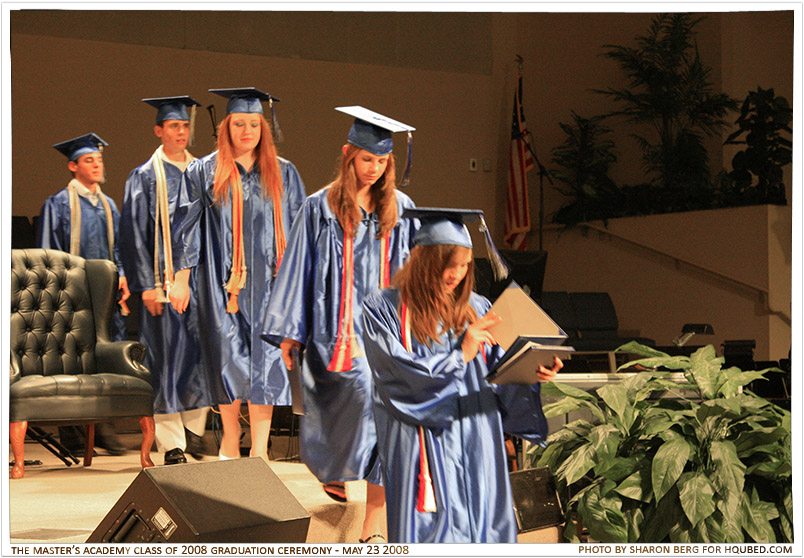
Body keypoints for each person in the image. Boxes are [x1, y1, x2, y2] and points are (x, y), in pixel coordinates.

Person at [262, 107, 417, 543]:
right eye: (367, 159)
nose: (374, 168)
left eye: (382, 161)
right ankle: (335, 467)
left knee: (381, 403)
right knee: (346, 406)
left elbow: (412, 271)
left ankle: (374, 523)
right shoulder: (319, 206)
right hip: (336, 333)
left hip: (387, 334)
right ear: (348, 155)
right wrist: (291, 330)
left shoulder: (401, 208)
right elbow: (298, 269)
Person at [361, 207, 563, 543]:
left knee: (482, 528)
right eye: (449, 264)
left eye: (465, 265)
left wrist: (533, 370)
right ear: (425, 260)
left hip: (476, 434)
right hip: (423, 439)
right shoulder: (383, 309)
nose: (457, 273)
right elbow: (395, 374)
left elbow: (501, 370)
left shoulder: (479, 308)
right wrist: (460, 355)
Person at [169, 87, 306, 462]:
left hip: (271, 286)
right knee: (226, 358)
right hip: (220, 284)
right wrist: (180, 279)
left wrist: (298, 289)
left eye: (254, 123)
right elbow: (184, 227)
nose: (247, 131)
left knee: (267, 363)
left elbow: (298, 233)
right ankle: (231, 438)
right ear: (226, 127)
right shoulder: (203, 171)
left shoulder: (285, 173)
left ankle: (260, 449)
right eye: (239, 123)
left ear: (264, 127)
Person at [120, 96, 211, 465]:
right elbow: (133, 236)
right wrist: (148, 286)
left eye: (185, 126)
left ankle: (195, 431)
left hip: (201, 283)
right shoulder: (145, 176)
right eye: (174, 126)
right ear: (159, 131)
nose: (181, 132)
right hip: (163, 281)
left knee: (201, 359)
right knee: (167, 361)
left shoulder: (203, 171)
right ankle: (172, 443)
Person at [38, 132, 129, 456]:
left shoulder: (109, 205)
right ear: (73, 166)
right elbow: (48, 251)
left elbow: (119, 246)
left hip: (103, 295)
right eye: (89, 161)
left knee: (101, 359)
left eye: (99, 160)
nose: (97, 165)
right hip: (69, 295)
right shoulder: (59, 204)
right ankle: (72, 432)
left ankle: (102, 427)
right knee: (68, 359)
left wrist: (122, 276)